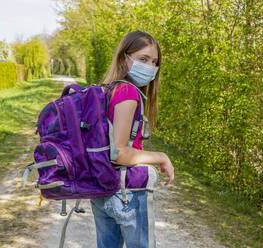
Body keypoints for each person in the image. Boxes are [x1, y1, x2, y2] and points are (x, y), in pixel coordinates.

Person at [89, 30, 175, 248]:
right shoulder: (128, 92)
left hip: (102, 189)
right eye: (143, 59)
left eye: (154, 62)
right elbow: (119, 153)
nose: (150, 67)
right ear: (124, 58)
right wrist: (161, 156)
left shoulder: (107, 90)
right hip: (127, 192)